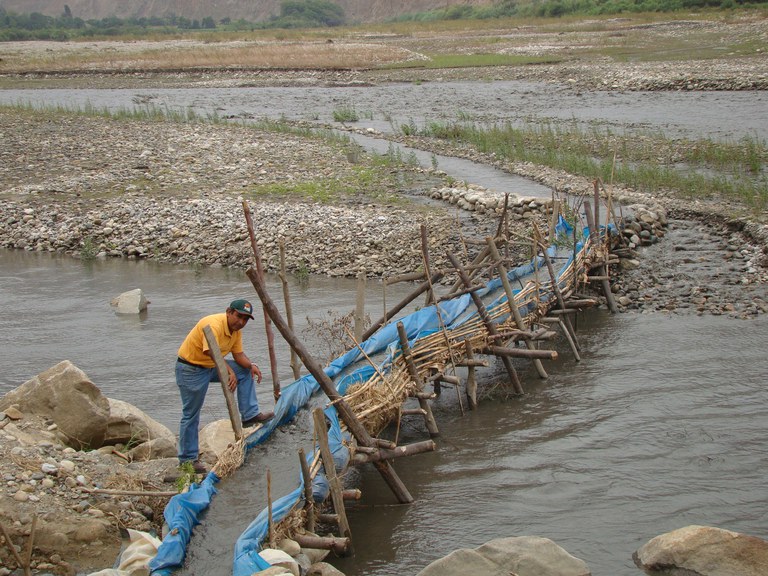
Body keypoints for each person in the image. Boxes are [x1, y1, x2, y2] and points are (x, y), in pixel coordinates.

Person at [175, 299, 274, 472]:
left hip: (210, 366)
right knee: (191, 414)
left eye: (245, 319)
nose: (241, 322)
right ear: (229, 312)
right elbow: (211, 352)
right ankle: (187, 459)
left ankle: (250, 415)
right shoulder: (213, 324)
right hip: (191, 369)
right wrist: (228, 371)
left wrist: (251, 366)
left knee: (244, 371)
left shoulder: (235, 331)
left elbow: (239, 355)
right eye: (239, 317)